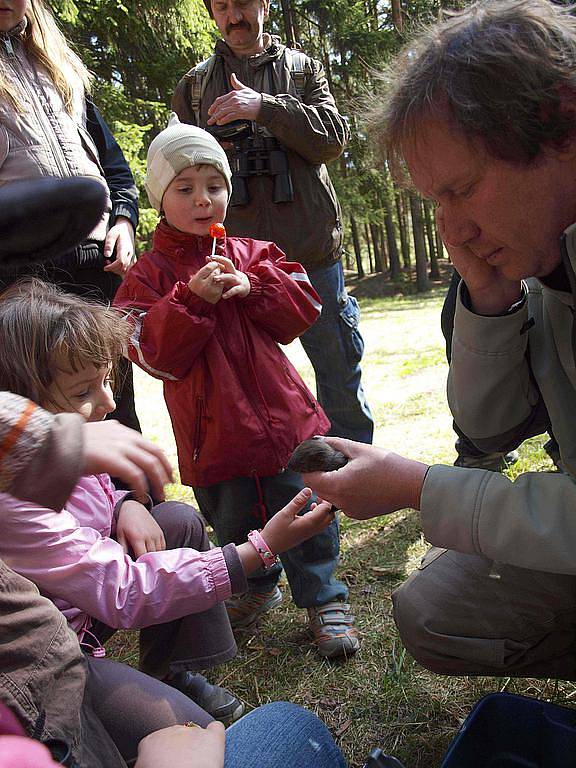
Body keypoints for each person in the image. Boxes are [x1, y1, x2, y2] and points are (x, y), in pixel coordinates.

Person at [302, 0, 576, 681]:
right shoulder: (544, 264)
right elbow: (489, 432)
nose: (452, 234)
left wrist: (420, 490)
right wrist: (489, 302)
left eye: (463, 189)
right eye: (435, 204)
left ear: (562, 121)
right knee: (435, 611)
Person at [0, 278, 336, 755]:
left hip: (82, 606)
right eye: (82, 391)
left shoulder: (56, 452)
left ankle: (174, 669)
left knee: (176, 520)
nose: (110, 403)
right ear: (19, 406)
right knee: (200, 738)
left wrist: (127, 504)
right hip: (60, 653)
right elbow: (123, 590)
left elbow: (91, 507)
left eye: (106, 380)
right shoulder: (17, 499)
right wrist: (258, 551)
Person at [113, 117, 360, 658]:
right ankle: (252, 588)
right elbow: (149, 353)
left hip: (284, 420)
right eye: (185, 188)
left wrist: (254, 288)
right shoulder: (147, 278)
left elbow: (303, 309)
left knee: (306, 506)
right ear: (158, 197)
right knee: (232, 520)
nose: (204, 200)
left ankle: (323, 596)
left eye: (215, 185)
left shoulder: (254, 252)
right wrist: (190, 301)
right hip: (213, 434)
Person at [172, 0, 373, 447]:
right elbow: (179, 164)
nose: (233, 16)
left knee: (338, 367)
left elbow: (331, 140)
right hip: (238, 262)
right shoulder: (196, 85)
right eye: (220, 7)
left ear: (263, 5)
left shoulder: (303, 71)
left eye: (242, 3)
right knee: (252, 379)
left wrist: (263, 107)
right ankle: (279, 477)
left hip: (310, 254)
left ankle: (358, 467)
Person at [0, 0, 140, 431]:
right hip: (23, 275)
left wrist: (123, 220)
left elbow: (113, 164)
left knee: (112, 402)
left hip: (96, 264)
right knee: (49, 412)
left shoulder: (60, 69)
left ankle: (134, 499)